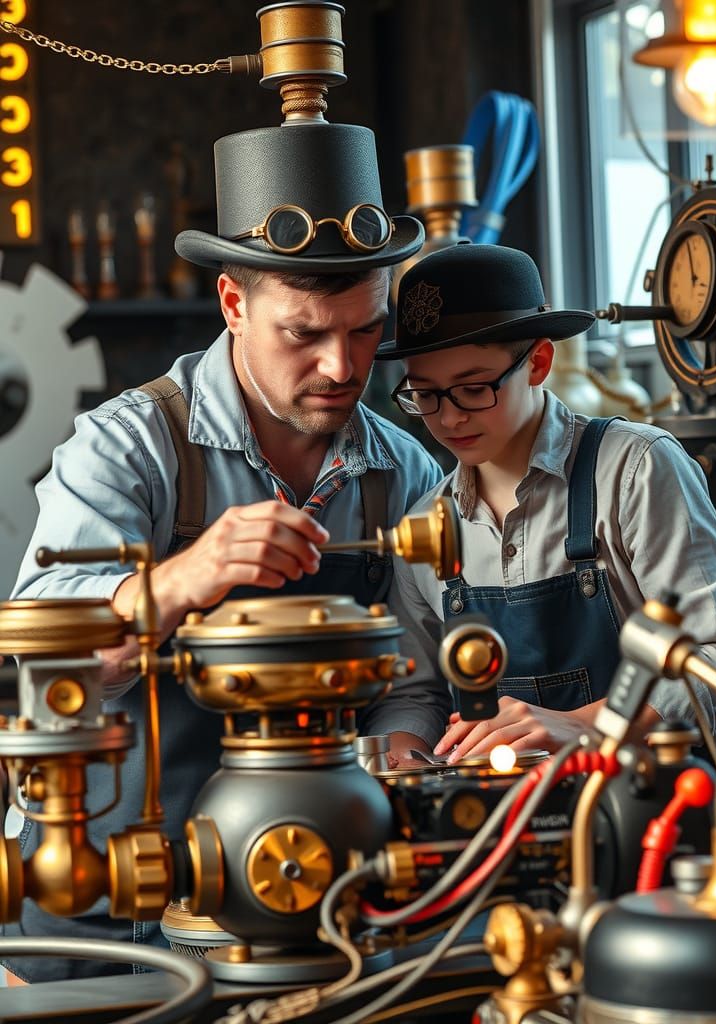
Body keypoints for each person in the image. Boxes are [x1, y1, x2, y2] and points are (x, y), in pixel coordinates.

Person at [3, 122, 449, 981]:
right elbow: (39, 664)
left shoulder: (404, 470)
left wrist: (404, 749)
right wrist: (178, 580)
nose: (341, 366)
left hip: (305, 903)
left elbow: (417, 680)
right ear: (233, 304)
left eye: (365, 332)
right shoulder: (129, 446)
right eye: (304, 334)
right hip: (109, 909)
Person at [377, 243, 716, 763]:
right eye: (425, 395)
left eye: (472, 389)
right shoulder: (424, 527)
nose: (448, 419)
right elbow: (416, 693)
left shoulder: (635, 469)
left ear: (538, 362)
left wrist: (586, 726)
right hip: (496, 821)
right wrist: (403, 758)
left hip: (647, 808)